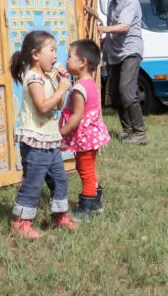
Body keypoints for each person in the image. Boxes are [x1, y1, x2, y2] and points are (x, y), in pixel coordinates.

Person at [9, 29, 75, 238]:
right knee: (33, 183)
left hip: (50, 140)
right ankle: (21, 223)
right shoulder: (33, 77)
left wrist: (61, 83)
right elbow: (43, 106)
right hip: (35, 141)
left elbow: (58, 105)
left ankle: (60, 216)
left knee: (60, 179)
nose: (56, 55)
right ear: (35, 54)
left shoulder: (46, 77)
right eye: (52, 50)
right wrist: (62, 88)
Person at [59, 38, 111, 220]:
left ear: (83, 62)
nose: (66, 60)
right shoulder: (90, 83)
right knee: (88, 168)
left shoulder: (79, 88)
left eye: (69, 56)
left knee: (85, 171)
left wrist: (63, 132)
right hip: (92, 136)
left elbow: (77, 116)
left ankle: (86, 209)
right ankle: (96, 202)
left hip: (85, 137)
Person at [98, 0, 147, 145]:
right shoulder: (113, 3)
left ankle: (140, 132)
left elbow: (124, 26)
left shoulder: (130, 1)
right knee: (117, 95)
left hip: (130, 51)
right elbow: (114, 27)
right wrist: (105, 39)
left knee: (127, 92)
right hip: (115, 52)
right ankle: (128, 130)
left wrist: (104, 30)